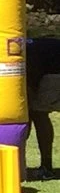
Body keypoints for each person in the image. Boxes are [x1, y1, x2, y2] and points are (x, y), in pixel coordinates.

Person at [28, 35, 59, 176]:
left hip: (53, 72)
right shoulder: (29, 43)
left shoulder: (18, 51)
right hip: (51, 66)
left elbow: (33, 78)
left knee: (38, 114)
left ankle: (46, 168)